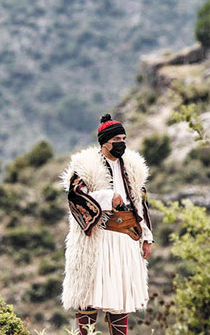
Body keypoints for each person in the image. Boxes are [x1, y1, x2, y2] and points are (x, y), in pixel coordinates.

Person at [61, 113, 154, 335]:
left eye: (124, 139)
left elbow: (140, 206)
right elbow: (75, 196)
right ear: (105, 142)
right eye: (116, 140)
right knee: (89, 292)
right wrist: (106, 197)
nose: (121, 143)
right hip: (98, 238)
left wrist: (147, 238)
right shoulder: (85, 166)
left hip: (126, 238)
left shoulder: (133, 167)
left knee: (120, 295)